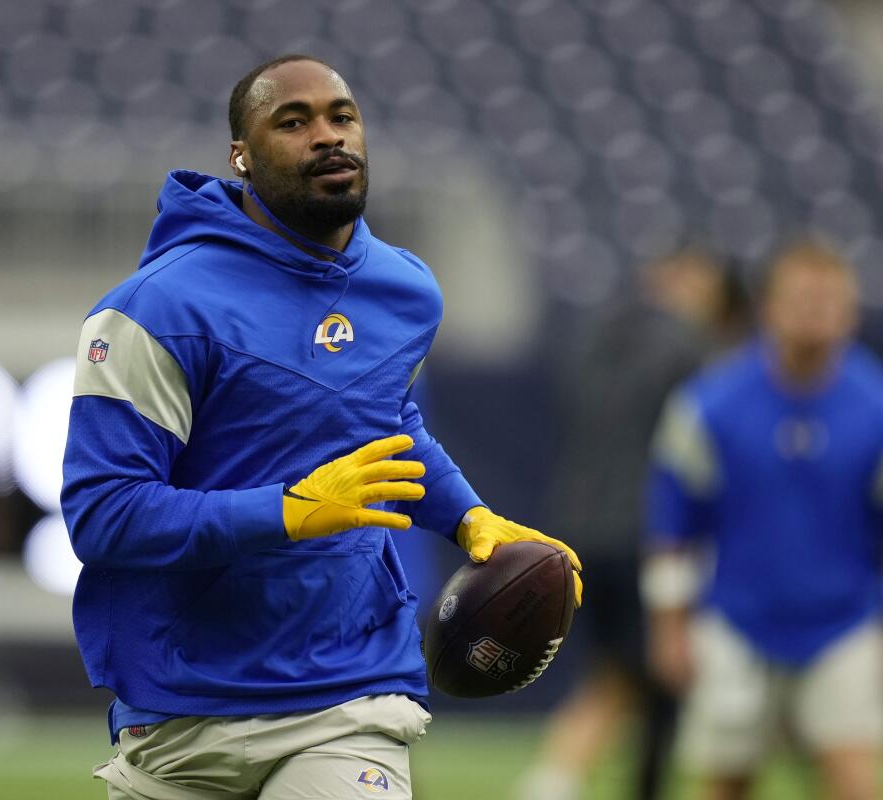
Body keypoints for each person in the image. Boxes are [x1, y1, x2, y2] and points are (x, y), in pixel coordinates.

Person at [60, 54, 582, 800]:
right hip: (182, 707)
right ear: (240, 155)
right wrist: (288, 511)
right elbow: (103, 513)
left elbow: (388, 423)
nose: (327, 136)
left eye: (342, 116)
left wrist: (469, 517)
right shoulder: (155, 309)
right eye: (293, 121)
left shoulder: (404, 290)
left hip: (347, 691)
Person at [643, 239, 883, 800]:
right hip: (737, 621)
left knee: (854, 777)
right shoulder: (709, 403)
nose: (817, 311)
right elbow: (673, 524)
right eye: (803, 297)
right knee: (725, 780)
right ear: (768, 307)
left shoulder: (876, 405)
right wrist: (669, 624)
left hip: (843, 623)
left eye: (830, 298)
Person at [517, 246, 729, 800]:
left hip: (580, 530)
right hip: (647, 534)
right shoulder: (689, 347)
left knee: (612, 674)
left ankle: (553, 778)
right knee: (660, 677)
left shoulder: (597, 337)